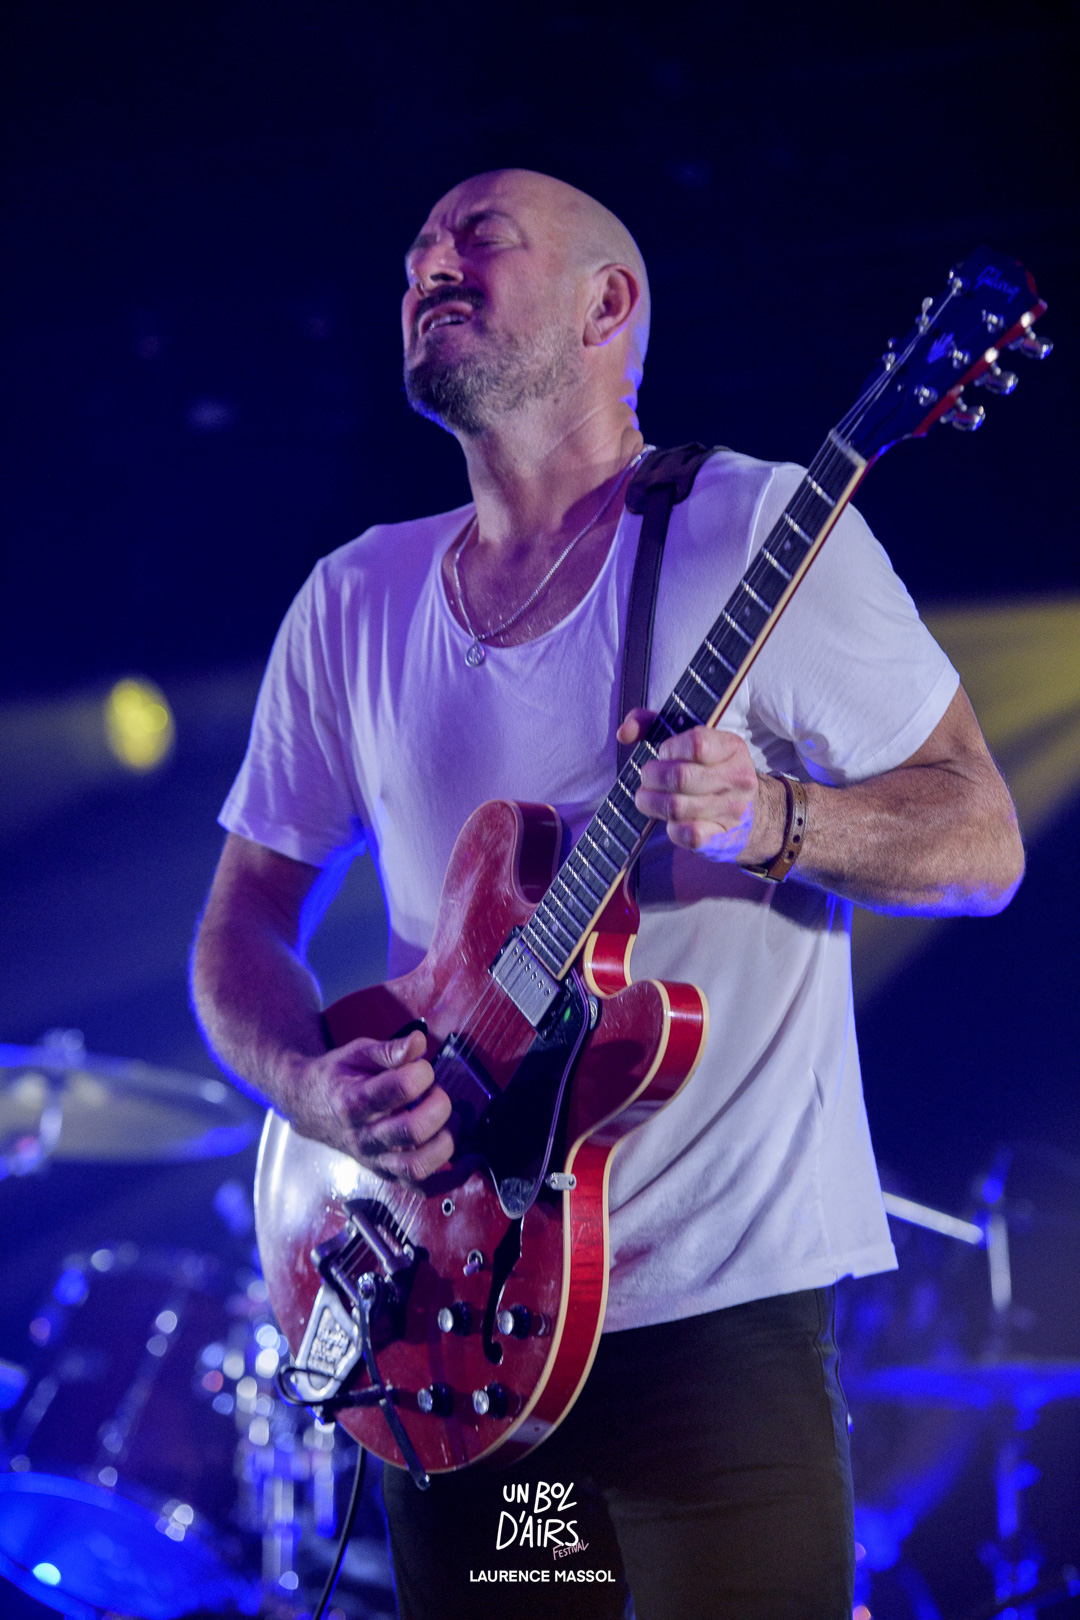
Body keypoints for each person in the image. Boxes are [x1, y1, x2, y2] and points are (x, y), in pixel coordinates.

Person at [191, 169, 1024, 1619]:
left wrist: (772, 817)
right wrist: (316, 1092)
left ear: (608, 305)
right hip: (462, 1333)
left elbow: (983, 839)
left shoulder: (761, 528)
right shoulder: (354, 601)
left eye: (478, 238)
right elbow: (242, 922)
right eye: (416, 251)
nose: (429, 266)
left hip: (717, 1343)